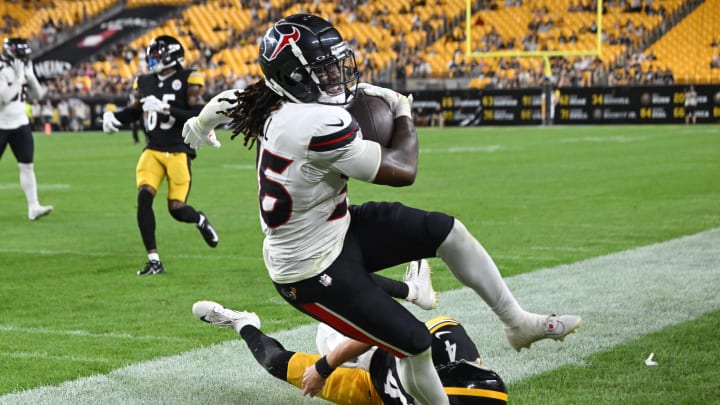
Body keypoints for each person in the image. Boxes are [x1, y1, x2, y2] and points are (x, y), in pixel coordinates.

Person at [182, 14, 580, 404]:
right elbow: (403, 170)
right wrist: (404, 113)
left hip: (333, 226)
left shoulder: (268, 97)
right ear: (295, 78)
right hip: (309, 269)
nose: (337, 75)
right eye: (324, 70)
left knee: (447, 232)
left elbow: (225, 102)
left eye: (336, 65)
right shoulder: (316, 123)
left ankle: (516, 321)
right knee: (414, 344)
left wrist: (200, 127)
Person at [192, 295, 509, 404]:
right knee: (288, 354)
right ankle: (242, 322)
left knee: (277, 365)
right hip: (372, 355)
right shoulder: (446, 344)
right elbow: (386, 329)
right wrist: (324, 367)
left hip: (373, 394)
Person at [101, 35, 220, 276]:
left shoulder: (189, 77)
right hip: (152, 150)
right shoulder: (143, 81)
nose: (151, 60)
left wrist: (166, 108)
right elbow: (135, 113)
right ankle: (153, 260)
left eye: (156, 55)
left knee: (176, 209)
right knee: (144, 197)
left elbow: (198, 113)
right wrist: (112, 117)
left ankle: (199, 219)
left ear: (171, 56)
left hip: (178, 150)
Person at [0, 37, 53, 221]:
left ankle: (33, 206)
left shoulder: (22, 68)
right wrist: (18, 77)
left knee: (27, 165)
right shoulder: (2, 68)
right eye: (21, 54)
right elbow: (4, 97)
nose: (24, 58)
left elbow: (38, 94)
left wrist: (29, 76)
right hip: (1, 125)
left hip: (20, 123)